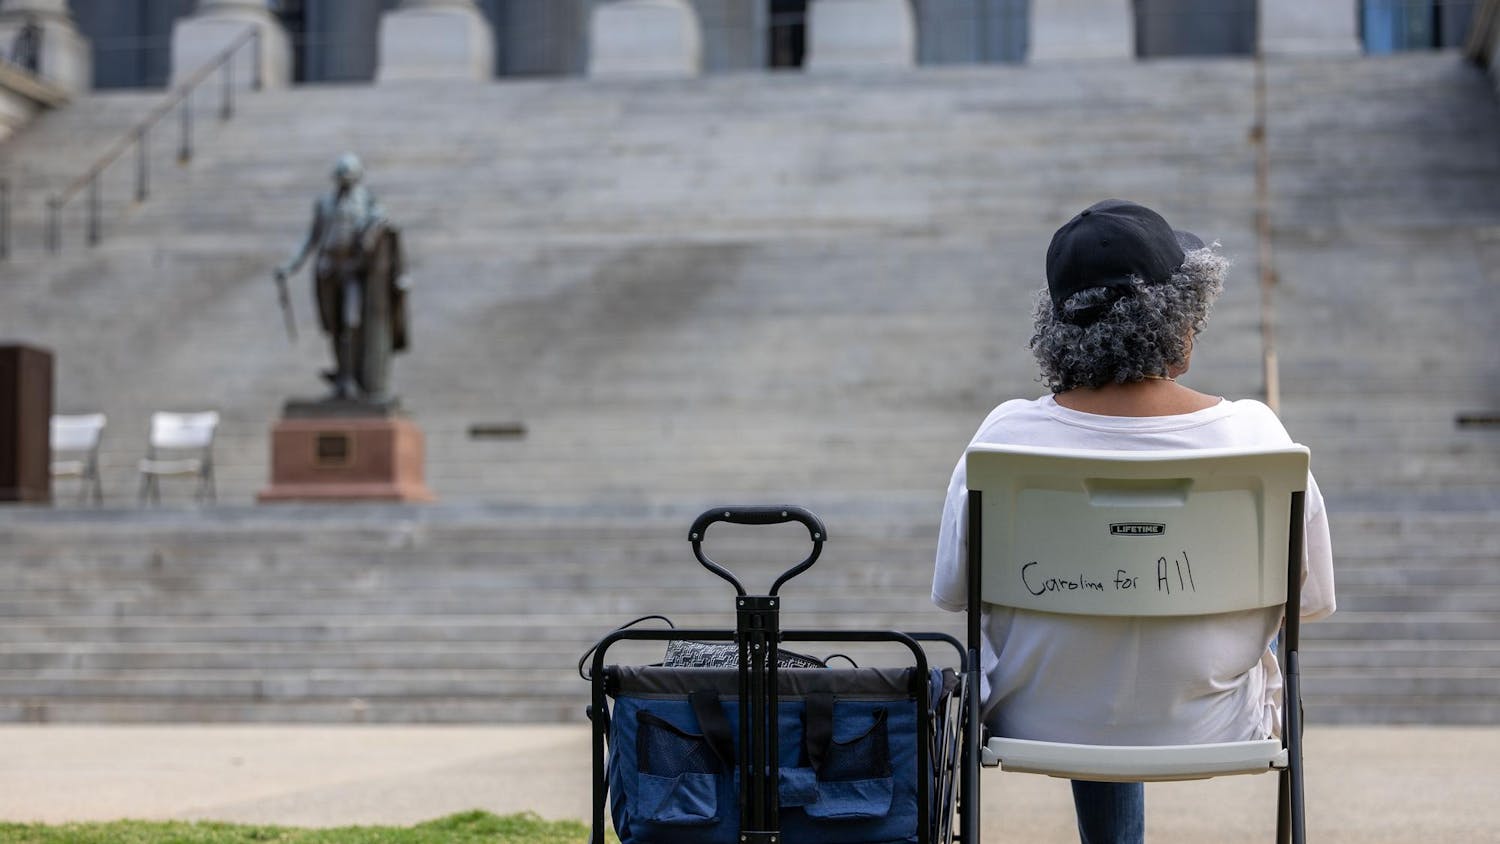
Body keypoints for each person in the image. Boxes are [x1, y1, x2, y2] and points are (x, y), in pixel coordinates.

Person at [930, 199, 1336, 844]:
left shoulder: (1005, 438)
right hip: (1218, 724)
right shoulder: (1255, 436)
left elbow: (956, 588)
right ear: (1181, 316)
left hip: (1037, 719)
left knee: (1096, 658)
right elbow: (1308, 600)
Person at [274, 153, 408, 402]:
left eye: (349, 176)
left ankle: (355, 377)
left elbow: (384, 224)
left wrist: (374, 229)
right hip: (327, 269)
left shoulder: (367, 201)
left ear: (357, 177)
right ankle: (342, 378)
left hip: (353, 271)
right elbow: (312, 239)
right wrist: (290, 266)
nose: (344, 181)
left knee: (352, 321)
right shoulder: (324, 203)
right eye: (341, 176)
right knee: (334, 325)